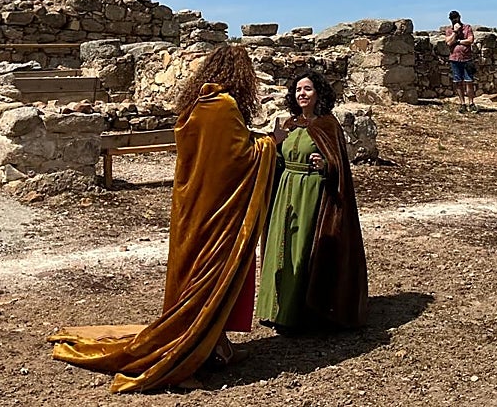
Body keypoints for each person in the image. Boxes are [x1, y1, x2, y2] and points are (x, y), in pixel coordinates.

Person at [49, 45, 278, 393]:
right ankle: (184, 354)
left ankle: (214, 343)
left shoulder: (196, 105)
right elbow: (238, 158)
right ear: (240, 76)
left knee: (192, 277)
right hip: (218, 212)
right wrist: (269, 144)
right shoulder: (225, 107)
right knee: (210, 277)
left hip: (193, 208)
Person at [257, 70, 369, 332]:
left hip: (312, 195)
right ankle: (275, 309)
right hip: (284, 192)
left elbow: (338, 167)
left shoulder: (327, 126)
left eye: (307, 89)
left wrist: (325, 165)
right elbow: (278, 157)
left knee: (302, 250)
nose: (302, 94)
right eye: (298, 90)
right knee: (280, 247)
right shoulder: (289, 125)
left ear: (318, 93)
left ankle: (300, 314)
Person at [444, 10, 477, 113]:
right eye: (453, 18)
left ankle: (471, 103)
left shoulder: (467, 28)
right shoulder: (449, 30)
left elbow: (470, 40)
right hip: (455, 59)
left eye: (456, 17)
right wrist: (455, 32)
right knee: (458, 82)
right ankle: (462, 104)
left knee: (469, 81)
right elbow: (449, 42)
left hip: (467, 58)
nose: (455, 20)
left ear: (459, 17)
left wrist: (458, 41)